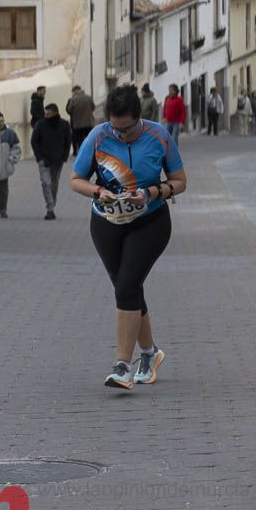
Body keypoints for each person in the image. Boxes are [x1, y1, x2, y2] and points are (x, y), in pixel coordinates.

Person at [70, 85, 187, 390]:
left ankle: (123, 366)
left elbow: (180, 181)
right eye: (116, 129)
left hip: (150, 221)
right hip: (107, 223)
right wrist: (98, 191)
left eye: (128, 129)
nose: (122, 135)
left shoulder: (159, 135)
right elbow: (75, 180)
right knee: (127, 290)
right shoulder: (98, 137)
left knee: (127, 285)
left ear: (140, 118)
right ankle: (149, 354)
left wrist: (151, 192)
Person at [31, 103, 72, 220]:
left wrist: (65, 156)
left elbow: (68, 140)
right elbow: (34, 141)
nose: (46, 115)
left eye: (48, 113)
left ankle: (52, 203)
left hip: (58, 160)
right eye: (45, 113)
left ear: (55, 113)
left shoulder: (64, 125)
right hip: (44, 160)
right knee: (46, 183)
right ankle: (50, 208)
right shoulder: (40, 124)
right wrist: (39, 157)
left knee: (54, 183)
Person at [66, 85, 96, 156]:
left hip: (78, 123)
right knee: (89, 138)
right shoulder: (88, 97)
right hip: (89, 122)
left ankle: (81, 153)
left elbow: (69, 110)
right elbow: (93, 107)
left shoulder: (73, 99)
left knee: (79, 140)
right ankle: (91, 152)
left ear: (75, 91)